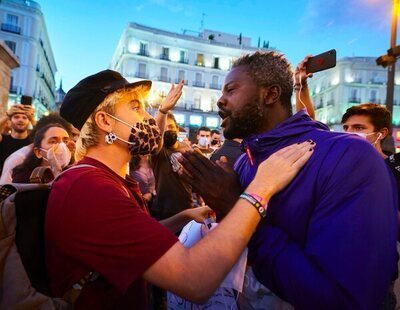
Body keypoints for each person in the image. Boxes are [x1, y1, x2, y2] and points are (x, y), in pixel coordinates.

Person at [45, 69, 314, 309]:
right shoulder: (91, 189)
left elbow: (136, 246)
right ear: (105, 122)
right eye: (136, 107)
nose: (148, 117)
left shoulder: (110, 180)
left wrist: (184, 216)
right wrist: (260, 190)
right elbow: (194, 281)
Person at [178, 51, 398, 309]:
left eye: (231, 90)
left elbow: (343, 300)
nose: (220, 101)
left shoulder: (348, 156)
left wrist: (236, 205)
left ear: (270, 95)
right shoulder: (242, 162)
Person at [0, 113, 75, 184]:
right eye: (53, 141)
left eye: (65, 141)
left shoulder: (74, 172)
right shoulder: (24, 178)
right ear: (38, 152)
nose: (61, 145)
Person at [151, 112, 193, 220]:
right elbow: (156, 138)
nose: (168, 130)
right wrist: (163, 112)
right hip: (163, 210)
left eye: (171, 127)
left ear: (177, 129)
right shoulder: (157, 150)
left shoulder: (187, 149)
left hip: (187, 206)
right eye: (164, 128)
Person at [0, 104, 35, 174]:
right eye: (16, 117)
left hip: (25, 183)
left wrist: (32, 119)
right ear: (9, 122)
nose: (20, 120)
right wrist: (7, 115)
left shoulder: (33, 142)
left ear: (29, 122)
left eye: (25, 118)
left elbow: (45, 133)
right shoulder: (2, 139)